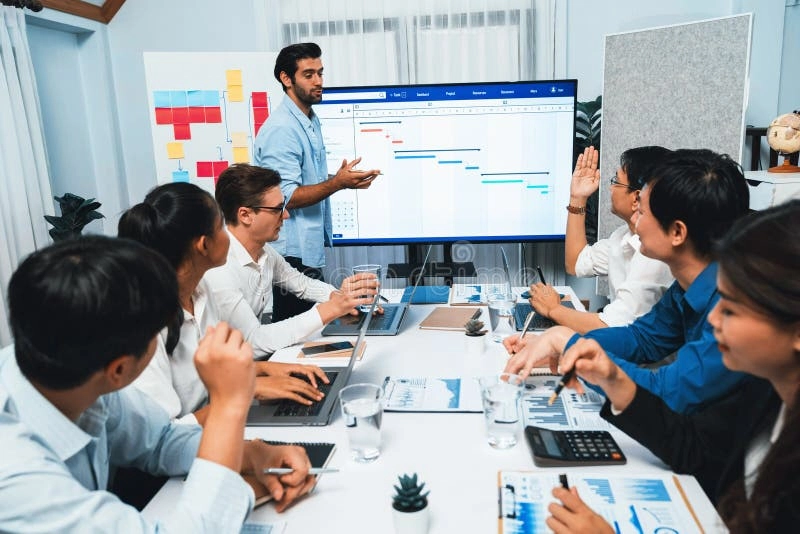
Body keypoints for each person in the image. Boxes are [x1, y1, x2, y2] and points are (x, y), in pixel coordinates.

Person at [0, 236, 314, 532]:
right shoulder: (15, 475)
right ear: (119, 370)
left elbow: (160, 441)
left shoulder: (64, 364)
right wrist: (229, 404)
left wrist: (252, 454)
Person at [545, 200, 800, 533]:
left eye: (732, 309)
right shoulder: (765, 385)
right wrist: (614, 380)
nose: (712, 318)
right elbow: (695, 449)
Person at [506, 149, 751, 414]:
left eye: (643, 213)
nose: (636, 222)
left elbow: (668, 391)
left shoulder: (736, 312)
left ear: (677, 232)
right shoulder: (687, 287)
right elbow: (642, 338)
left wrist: (568, 343)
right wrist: (562, 344)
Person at [118, 183, 367, 422]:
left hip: (219, 421)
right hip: (190, 449)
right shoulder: (145, 328)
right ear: (204, 245)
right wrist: (246, 389)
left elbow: (216, 372)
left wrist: (266, 370)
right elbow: (164, 439)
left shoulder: (199, 291)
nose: (229, 233)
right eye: (220, 226)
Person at [254, 42, 380, 322]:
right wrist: (337, 183)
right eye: (309, 75)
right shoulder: (282, 129)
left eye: (321, 73)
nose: (319, 81)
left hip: (306, 249)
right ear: (286, 79)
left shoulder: (308, 119)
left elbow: (303, 180)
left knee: (317, 325)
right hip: (290, 252)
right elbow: (285, 196)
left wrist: (343, 180)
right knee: (298, 334)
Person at [204, 163, 379, 354]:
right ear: (245, 215)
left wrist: (341, 297)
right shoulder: (219, 270)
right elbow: (254, 342)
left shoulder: (265, 252)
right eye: (278, 209)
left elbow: (301, 284)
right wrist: (328, 310)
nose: (286, 215)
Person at [528, 146, 673, 333]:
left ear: (637, 198)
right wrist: (577, 197)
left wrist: (553, 309)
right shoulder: (622, 236)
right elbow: (576, 263)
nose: (611, 187)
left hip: (636, 359)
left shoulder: (654, 255)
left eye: (616, 181)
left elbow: (612, 327)